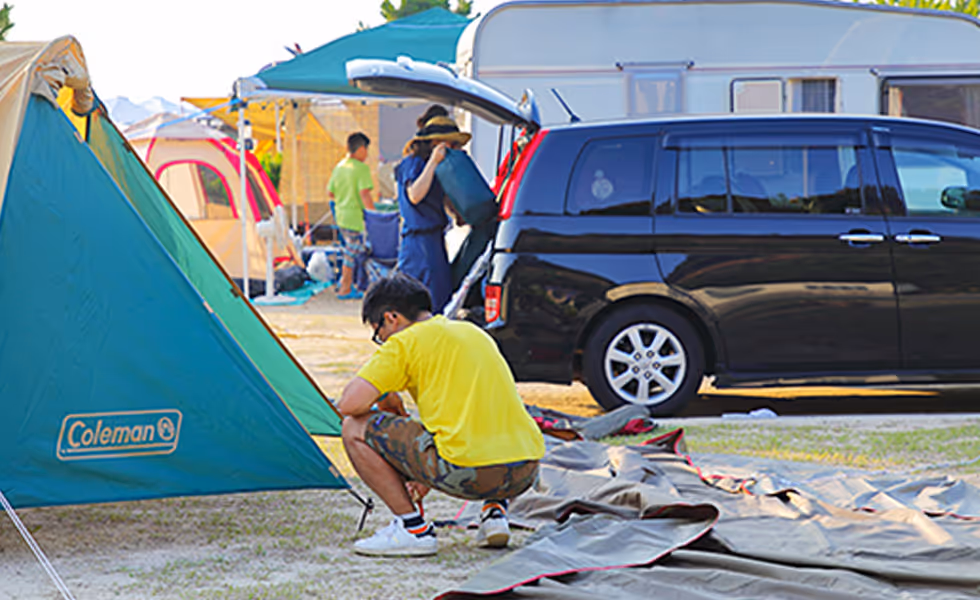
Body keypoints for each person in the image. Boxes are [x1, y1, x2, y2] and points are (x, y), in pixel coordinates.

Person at [336, 273, 545, 557]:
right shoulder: (473, 332)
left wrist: (383, 396)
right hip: (525, 470)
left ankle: (412, 529)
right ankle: (494, 513)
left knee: (353, 428)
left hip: (472, 472)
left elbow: (349, 404)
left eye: (378, 332)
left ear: (392, 317)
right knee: (488, 422)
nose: (381, 341)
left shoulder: (405, 342)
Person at [394, 115, 471, 312]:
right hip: (418, 244)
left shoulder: (435, 168)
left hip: (435, 241)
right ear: (436, 142)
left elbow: (441, 197)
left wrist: (459, 213)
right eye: (451, 143)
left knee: (440, 299)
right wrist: (434, 162)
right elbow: (415, 195)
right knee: (420, 304)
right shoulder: (414, 164)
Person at [327, 132, 375, 300]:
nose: (367, 154)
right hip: (355, 219)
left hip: (341, 217)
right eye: (367, 149)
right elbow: (365, 194)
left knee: (352, 251)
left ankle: (346, 284)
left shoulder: (339, 167)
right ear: (361, 149)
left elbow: (330, 192)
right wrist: (374, 216)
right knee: (352, 253)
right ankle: (345, 288)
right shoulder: (361, 168)